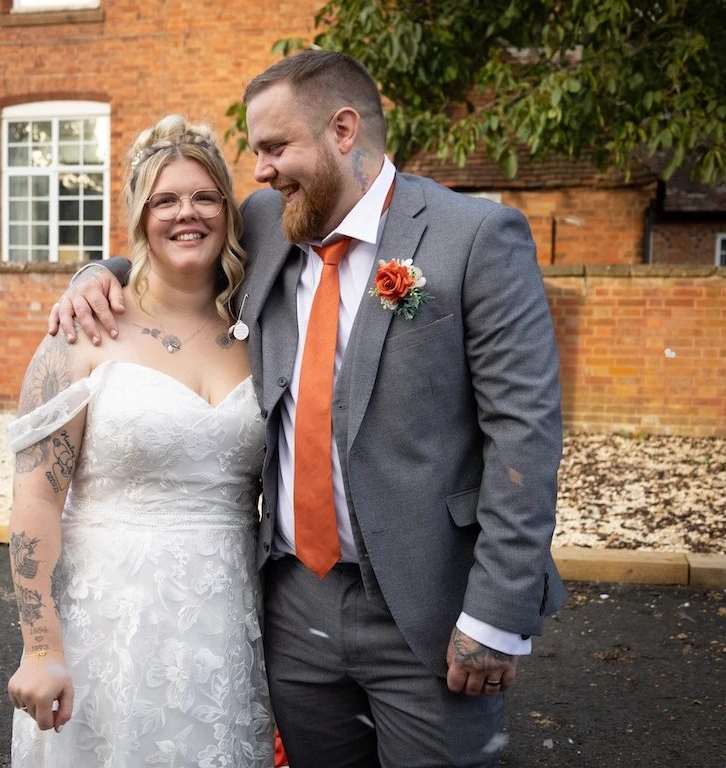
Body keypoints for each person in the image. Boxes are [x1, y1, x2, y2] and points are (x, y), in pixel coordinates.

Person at [49, 50, 567, 767]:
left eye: (274, 147)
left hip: (429, 605)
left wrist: (497, 617)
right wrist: (94, 275)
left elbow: (525, 436)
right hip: (292, 604)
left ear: (344, 130)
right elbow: (173, 241)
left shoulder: (473, 238)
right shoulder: (270, 223)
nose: (259, 172)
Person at [5, 115, 275, 767]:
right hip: (112, 625)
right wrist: (41, 647)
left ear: (228, 212)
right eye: (165, 199)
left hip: (229, 620)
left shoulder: (261, 329)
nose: (188, 214)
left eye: (205, 196)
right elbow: (36, 498)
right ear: (139, 213)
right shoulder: (82, 329)